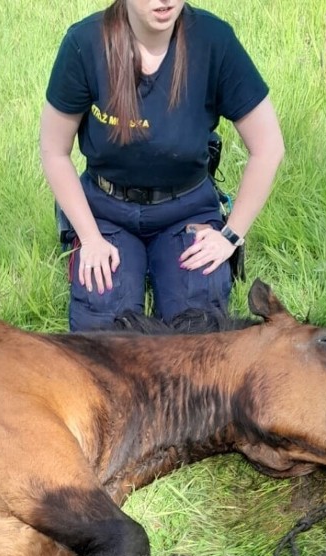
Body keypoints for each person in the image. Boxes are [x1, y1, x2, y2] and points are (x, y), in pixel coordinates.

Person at [40, 0, 285, 331]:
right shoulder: (85, 45)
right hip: (106, 210)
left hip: (186, 210)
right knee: (103, 331)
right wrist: (91, 238)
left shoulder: (214, 41)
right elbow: (55, 151)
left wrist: (230, 235)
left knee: (199, 330)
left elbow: (268, 146)